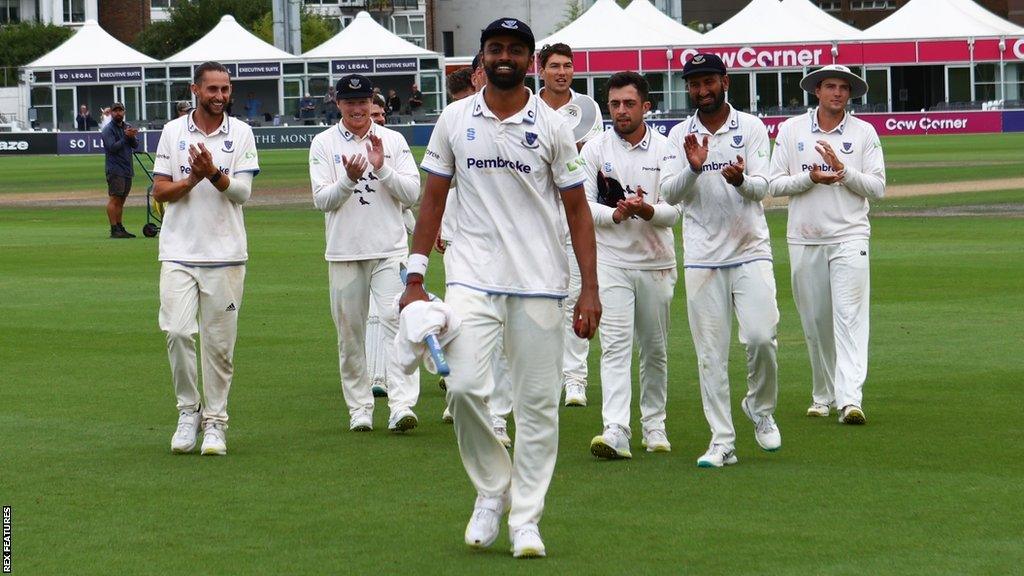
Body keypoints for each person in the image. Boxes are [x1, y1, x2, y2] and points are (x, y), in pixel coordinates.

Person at [400, 17, 599, 558]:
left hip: (540, 282)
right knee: (463, 388)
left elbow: (579, 213)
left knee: (537, 408)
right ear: (482, 56)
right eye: (495, 48)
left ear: (529, 60)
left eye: (514, 49)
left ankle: (527, 519)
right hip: (472, 276)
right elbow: (433, 201)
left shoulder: (555, 126)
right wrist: (415, 276)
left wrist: (589, 290)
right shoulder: (455, 118)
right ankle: (492, 490)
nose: (504, 56)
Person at [660, 53, 782, 468]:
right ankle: (721, 439)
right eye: (694, 84)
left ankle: (760, 409)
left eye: (708, 81)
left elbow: (764, 186)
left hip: (750, 249)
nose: (701, 90)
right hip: (702, 256)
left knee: (762, 338)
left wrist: (741, 180)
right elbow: (669, 194)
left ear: (725, 81)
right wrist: (694, 169)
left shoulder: (750, 127)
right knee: (710, 353)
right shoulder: (680, 134)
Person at [152, 61, 260, 456]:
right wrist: (193, 178)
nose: (219, 97)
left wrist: (213, 173)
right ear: (195, 90)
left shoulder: (242, 132)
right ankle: (188, 412)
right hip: (179, 252)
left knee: (219, 346)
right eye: (212, 89)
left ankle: (216, 422)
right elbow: (160, 192)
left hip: (226, 255)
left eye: (225, 90)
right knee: (178, 333)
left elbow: (242, 193)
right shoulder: (173, 132)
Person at [769, 64, 886, 425]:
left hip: (850, 235)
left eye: (843, 88)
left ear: (850, 95)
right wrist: (810, 178)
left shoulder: (864, 133)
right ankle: (823, 393)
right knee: (816, 321)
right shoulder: (792, 130)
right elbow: (774, 184)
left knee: (849, 319)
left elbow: (878, 187)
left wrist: (843, 171)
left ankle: (851, 399)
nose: (837, 93)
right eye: (830, 87)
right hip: (805, 236)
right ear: (816, 91)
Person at [309, 74, 422, 433]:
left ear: (371, 101)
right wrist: (348, 180)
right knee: (350, 334)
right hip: (343, 252)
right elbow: (321, 200)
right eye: (349, 102)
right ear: (338, 104)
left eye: (362, 102)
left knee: (397, 325)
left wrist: (382, 166)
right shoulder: (323, 144)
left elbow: (413, 193)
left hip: (390, 249)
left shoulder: (393, 140)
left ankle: (401, 404)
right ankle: (360, 407)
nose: (357, 109)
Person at [581, 72, 682, 459]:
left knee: (654, 348)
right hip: (612, 262)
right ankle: (616, 429)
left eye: (628, 104)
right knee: (615, 346)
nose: (621, 111)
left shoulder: (667, 148)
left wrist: (647, 209)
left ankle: (654, 423)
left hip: (656, 263)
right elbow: (582, 205)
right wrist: (616, 216)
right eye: (614, 104)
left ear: (646, 106)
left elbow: (676, 211)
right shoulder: (594, 149)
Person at [537, 42, 604, 407]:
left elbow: (590, 160)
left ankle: (575, 378)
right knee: (541, 298)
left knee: (577, 295)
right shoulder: (529, 107)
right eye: (554, 66)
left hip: (575, 212)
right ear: (541, 70)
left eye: (567, 66)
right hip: (537, 215)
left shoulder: (589, 109)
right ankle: (545, 374)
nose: (561, 72)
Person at [363, 92, 417, 399]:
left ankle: (390, 380)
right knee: (372, 315)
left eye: (381, 113)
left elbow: (405, 200)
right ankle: (375, 376)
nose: (378, 118)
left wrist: (418, 230)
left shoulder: (394, 144)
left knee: (393, 313)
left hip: (393, 243)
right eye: (373, 113)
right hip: (360, 246)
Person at [101, 102, 139, 239]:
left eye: (120, 110)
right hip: (115, 169)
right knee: (115, 199)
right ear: (111, 113)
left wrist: (132, 136)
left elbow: (135, 145)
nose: (118, 113)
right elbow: (112, 147)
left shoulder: (127, 126)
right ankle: (114, 228)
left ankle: (119, 226)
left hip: (127, 168)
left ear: (124, 112)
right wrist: (125, 137)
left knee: (122, 199)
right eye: (115, 111)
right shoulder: (107, 130)